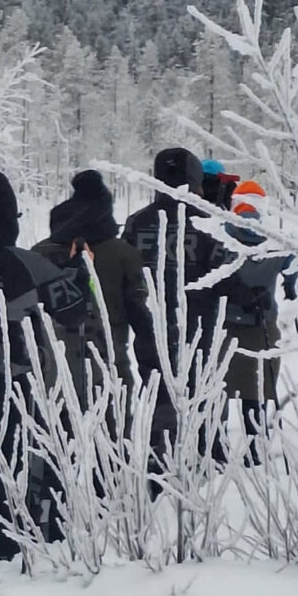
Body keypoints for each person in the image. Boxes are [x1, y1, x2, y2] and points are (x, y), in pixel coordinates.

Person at [0, 166, 91, 556]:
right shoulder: (23, 263)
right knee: (18, 475)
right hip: (16, 387)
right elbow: (73, 310)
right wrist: (79, 276)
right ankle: (18, 553)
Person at [122, 147, 229, 480]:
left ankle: (161, 468)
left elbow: (127, 274)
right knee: (204, 397)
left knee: (161, 402)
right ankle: (207, 469)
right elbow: (228, 276)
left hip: (150, 329)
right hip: (200, 330)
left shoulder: (138, 221)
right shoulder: (210, 223)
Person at [32, 169, 159, 401]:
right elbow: (139, 314)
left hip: (53, 371)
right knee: (114, 433)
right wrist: (152, 372)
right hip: (110, 366)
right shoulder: (123, 254)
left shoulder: (39, 253)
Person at [222, 180, 298, 465]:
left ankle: (218, 451)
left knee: (220, 389)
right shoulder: (278, 241)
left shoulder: (220, 236)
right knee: (255, 390)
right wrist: (292, 290)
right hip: (262, 326)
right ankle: (254, 449)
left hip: (223, 328)